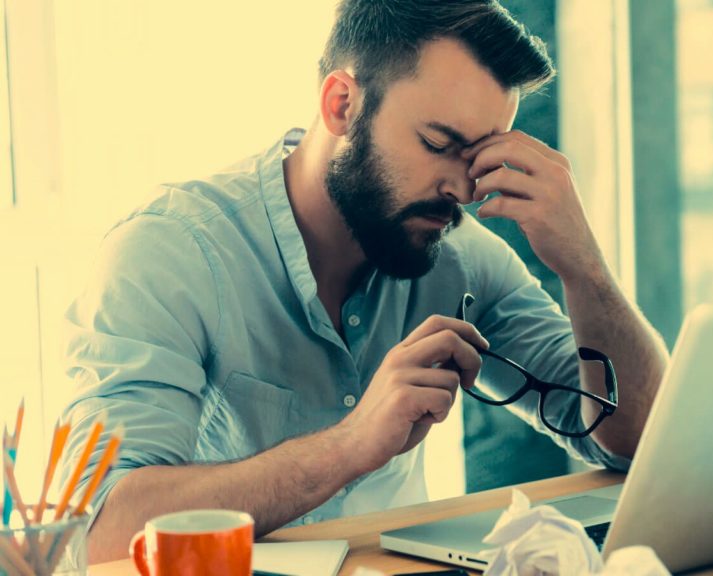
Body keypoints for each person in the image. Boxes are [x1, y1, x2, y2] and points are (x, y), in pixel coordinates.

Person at [60, 0, 668, 562]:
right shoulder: (169, 255)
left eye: (479, 158)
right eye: (438, 143)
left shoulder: (462, 258)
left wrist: (583, 264)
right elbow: (104, 532)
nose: (461, 188)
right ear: (342, 104)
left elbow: (631, 438)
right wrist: (349, 445)